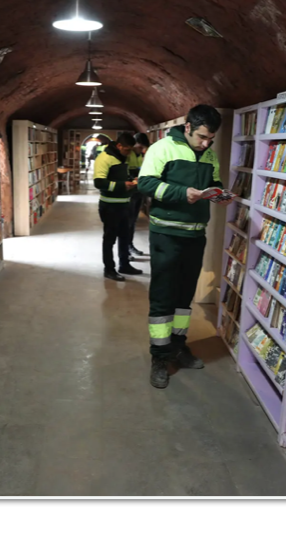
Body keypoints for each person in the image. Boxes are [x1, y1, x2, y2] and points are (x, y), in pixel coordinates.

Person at [137, 104, 231, 389]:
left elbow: (212, 182)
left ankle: (179, 346)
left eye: (210, 138)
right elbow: (145, 184)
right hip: (166, 233)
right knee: (164, 297)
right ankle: (159, 357)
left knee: (184, 298)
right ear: (188, 127)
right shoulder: (161, 149)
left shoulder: (210, 154)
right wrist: (182, 193)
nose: (206, 143)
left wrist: (218, 195)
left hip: (195, 235)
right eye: (202, 136)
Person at [93, 132, 141, 280]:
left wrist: (132, 180)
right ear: (119, 145)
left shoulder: (123, 158)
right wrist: (122, 185)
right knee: (110, 238)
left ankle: (124, 264)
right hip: (110, 205)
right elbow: (99, 182)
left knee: (125, 237)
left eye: (130, 150)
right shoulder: (104, 158)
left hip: (125, 204)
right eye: (126, 149)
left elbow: (124, 175)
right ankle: (109, 269)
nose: (128, 153)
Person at [125, 133, 150, 258]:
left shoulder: (140, 155)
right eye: (140, 147)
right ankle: (125, 249)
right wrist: (132, 177)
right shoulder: (128, 154)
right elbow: (124, 171)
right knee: (127, 221)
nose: (142, 150)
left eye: (143, 148)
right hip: (129, 191)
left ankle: (130, 245)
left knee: (133, 221)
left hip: (138, 191)